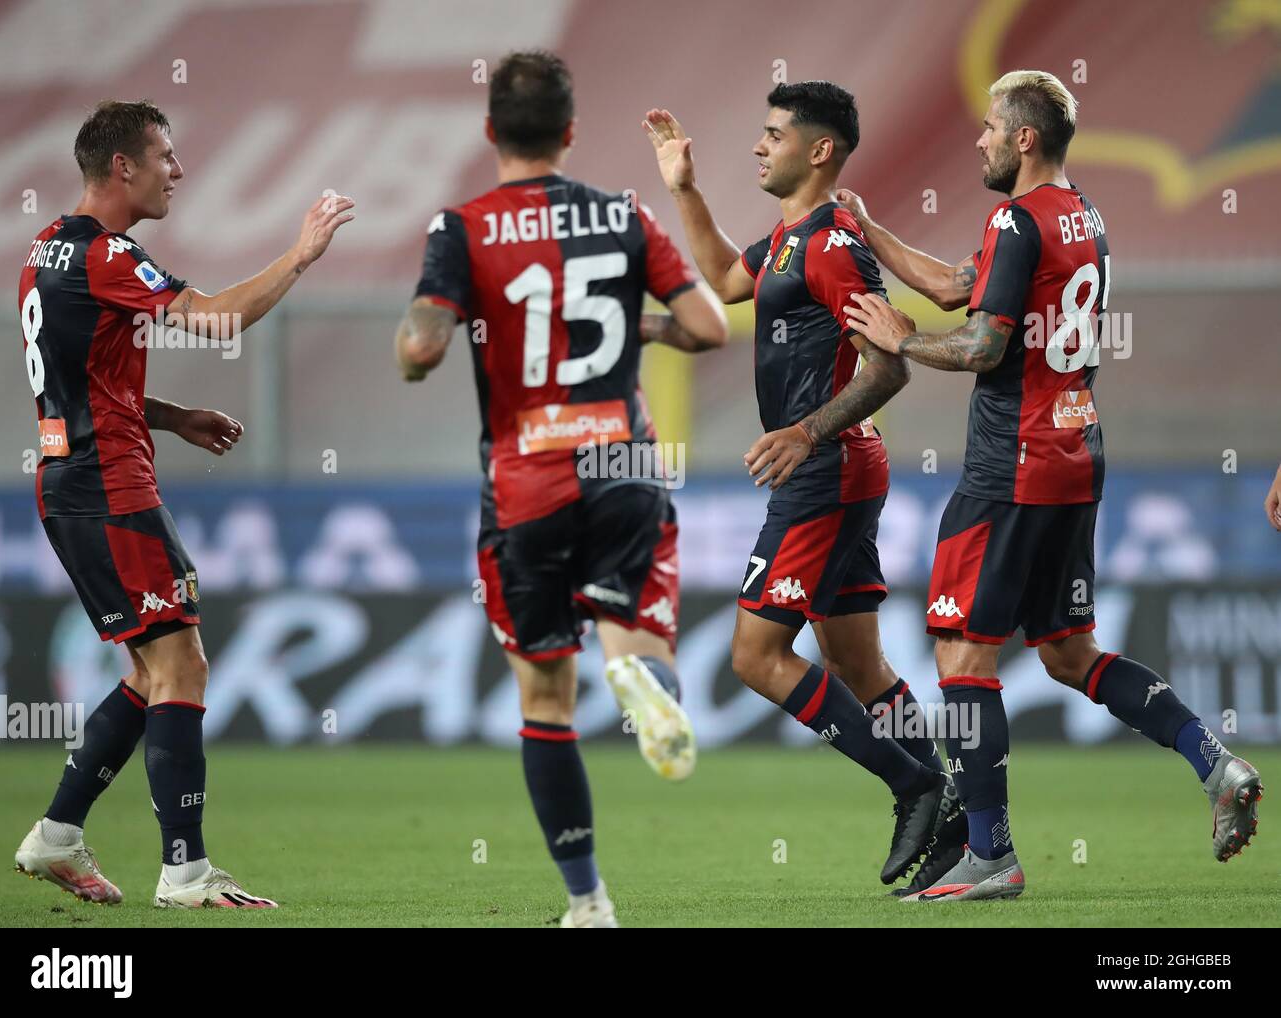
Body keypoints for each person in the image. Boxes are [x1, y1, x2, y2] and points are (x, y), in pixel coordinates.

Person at [841, 70, 1262, 901]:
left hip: (1015, 466)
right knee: (1069, 653)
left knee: (961, 651)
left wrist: (902, 338)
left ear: (1024, 137)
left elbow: (981, 344)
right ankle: (1214, 764)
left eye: (992, 127)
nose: (981, 139)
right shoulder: (1081, 217)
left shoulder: (1012, 218)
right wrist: (871, 229)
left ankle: (991, 854)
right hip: (1076, 452)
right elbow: (965, 286)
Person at [397, 51, 728, 928]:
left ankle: (588, 903)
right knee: (630, 639)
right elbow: (709, 325)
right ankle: (641, 678)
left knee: (544, 698)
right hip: (622, 461)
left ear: (489, 132)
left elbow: (421, 350)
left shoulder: (458, 228)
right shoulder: (624, 215)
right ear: (572, 133)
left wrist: (434, 330)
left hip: (525, 481)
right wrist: (633, 331)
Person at [15, 99, 354, 908]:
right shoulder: (106, 254)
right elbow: (215, 320)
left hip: (71, 481)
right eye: (166, 155)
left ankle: (57, 836)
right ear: (122, 167)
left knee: (150, 669)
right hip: (108, 487)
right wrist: (301, 255)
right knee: (182, 664)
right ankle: (185, 872)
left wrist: (170, 417)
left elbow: (83, 377)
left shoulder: (46, 250)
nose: (179, 170)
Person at [643, 82, 963, 895]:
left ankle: (915, 785)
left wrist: (805, 431)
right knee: (856, 661)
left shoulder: (831, 245)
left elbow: (889, 364)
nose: (759, 145)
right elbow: (721, 277)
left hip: (824, 469)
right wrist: (683, 186)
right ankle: (953, 811)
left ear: (819, 151)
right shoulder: (789, 239)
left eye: (773, 134)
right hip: (836, 466)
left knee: (755, 656)